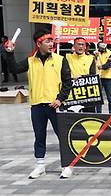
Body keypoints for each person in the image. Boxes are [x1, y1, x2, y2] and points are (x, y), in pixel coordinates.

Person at [4, 30, 72, 178]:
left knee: (62, 135)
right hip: (36, 105)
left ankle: (67, 165)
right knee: (39, 136)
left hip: (55, 104)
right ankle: (40, 165)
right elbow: (14, 69)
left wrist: (60, 99)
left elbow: (68, 82)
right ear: (38, 44)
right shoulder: (30, 61)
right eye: (47, 42)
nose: (51, 44)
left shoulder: (60, 60)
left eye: (52, 41)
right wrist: (10, 53)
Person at [65, 37, 97, 112]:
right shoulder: (67, 57)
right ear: (74, 46)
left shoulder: (91, 58)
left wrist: (83, 78)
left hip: (87, 92)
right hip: (72, 92)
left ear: (85, 47)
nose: (81, 47)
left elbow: (93, 75)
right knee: (72, 118)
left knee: (88, 116)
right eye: (78, 44)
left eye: (83, 45)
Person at [94, 42, 111, 114]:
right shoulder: (95, 52)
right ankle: (98, 113)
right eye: (100, 47)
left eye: (103, 47)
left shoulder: (110, 53)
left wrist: (102, 67)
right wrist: (95, 56)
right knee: (98, 97)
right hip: (98, 77)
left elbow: (109, 64)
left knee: (110, 98)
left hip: (107, 77)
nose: (101, 48)